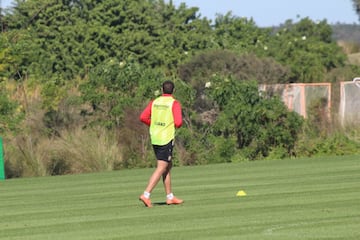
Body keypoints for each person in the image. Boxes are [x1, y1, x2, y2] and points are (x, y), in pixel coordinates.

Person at [139, 80, 184, 207]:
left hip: (155, 137)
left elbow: (143, 117)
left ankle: (170, 197)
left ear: (162, 89)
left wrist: (153, 124)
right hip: (166, 138)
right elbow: (179, 122)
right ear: (173, 90)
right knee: (161, 167)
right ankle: (146, 194)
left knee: (167, 166)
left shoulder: (155, 102)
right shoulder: (174, 103)